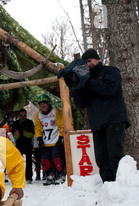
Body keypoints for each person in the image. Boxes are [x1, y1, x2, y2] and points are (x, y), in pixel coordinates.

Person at [64, 49, 130, 182]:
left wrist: (87, 81)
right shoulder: (86, 80)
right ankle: (107, 185)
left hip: (114, 120)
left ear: (97, 59)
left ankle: (120, 185)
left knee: (114, 154)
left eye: (90, 61)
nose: (88, 65)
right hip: (97, 124)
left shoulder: (110, 71)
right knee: (101, 158)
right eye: (85, 63)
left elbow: (110, 89)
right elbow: (80, 104)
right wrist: (77, 87)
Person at [34, 94, 65, 185]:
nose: (43, 105)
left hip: (55, 140)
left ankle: (60, 175)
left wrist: (61, 136)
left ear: (48, 103)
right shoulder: (39, 115)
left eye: (45, 103)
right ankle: (49, 175)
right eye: (41, 104)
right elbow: (38, 127)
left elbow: (61, 124)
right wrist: (39, 138)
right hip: (45, 141)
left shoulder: (56, 111)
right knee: (45, 159)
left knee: (56, 157)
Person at [12, 108, 35, 182]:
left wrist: (26, 134)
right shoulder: (15, 123)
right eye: (21, 115)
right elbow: (14, 135)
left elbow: (32, 133)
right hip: (19, 144)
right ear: (19, 116)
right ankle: (19, 177)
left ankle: (29, 177)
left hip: (28, 144)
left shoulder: (30, 122)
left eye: (24, 115)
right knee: (19, 162)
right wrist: (17, 135)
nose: (23, 117)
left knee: (29, 161)